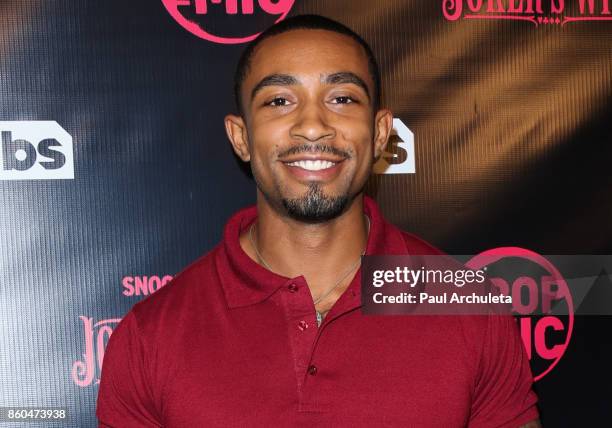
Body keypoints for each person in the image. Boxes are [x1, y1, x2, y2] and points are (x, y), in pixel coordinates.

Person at [97, 14, 540, 427]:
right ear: (241, 137)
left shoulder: (470, 308)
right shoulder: (150, 336)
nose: (312, 126)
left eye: (343, 98)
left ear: (381, 132)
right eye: (279, 100)